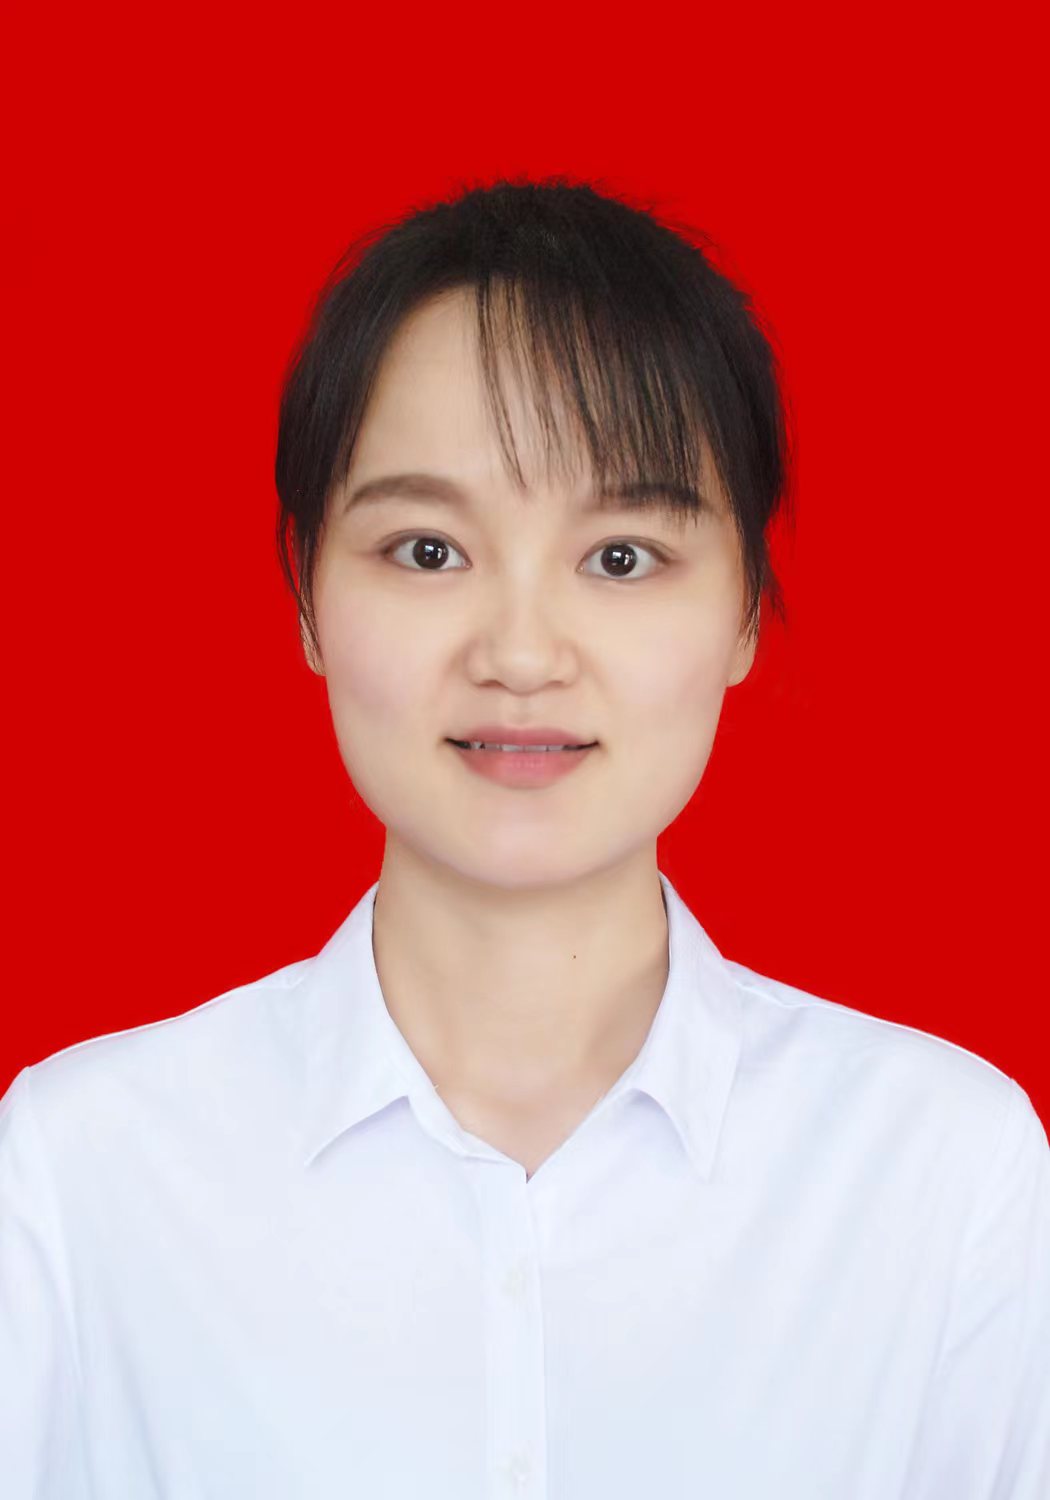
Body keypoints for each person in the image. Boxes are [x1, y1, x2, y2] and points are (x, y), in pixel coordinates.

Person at [1, 176, 1047, 1499]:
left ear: (744, 612)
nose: (520, 653)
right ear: (307, 595)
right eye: (427, 551)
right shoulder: (79, 1175)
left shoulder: (943, 1177)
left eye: (620, 558)